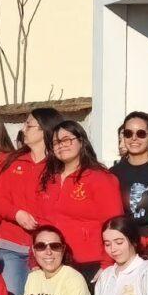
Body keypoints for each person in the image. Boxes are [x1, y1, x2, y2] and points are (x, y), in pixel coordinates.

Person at [0, 106, 62, 295]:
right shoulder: (14, 161)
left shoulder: (59, 165)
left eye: (29, 125)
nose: (24, 129)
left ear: (45, 129)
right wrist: (17, 213)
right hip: (11, 245)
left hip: (46, 247)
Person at [35, 119, 123, 279]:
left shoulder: (100, 178)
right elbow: (42, 223)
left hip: (89, 262)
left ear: (81, 141)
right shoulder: (49, 180)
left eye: (67, 139)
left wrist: (107, 264)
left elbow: (114, 224)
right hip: (53, 260)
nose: (61, 145)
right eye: (56, 142)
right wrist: (34, 259)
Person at [110, 112, 148, 245]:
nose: (134, 138)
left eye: (141, 133)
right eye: (128, 133)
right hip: (128, 243)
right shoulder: (113, 174)